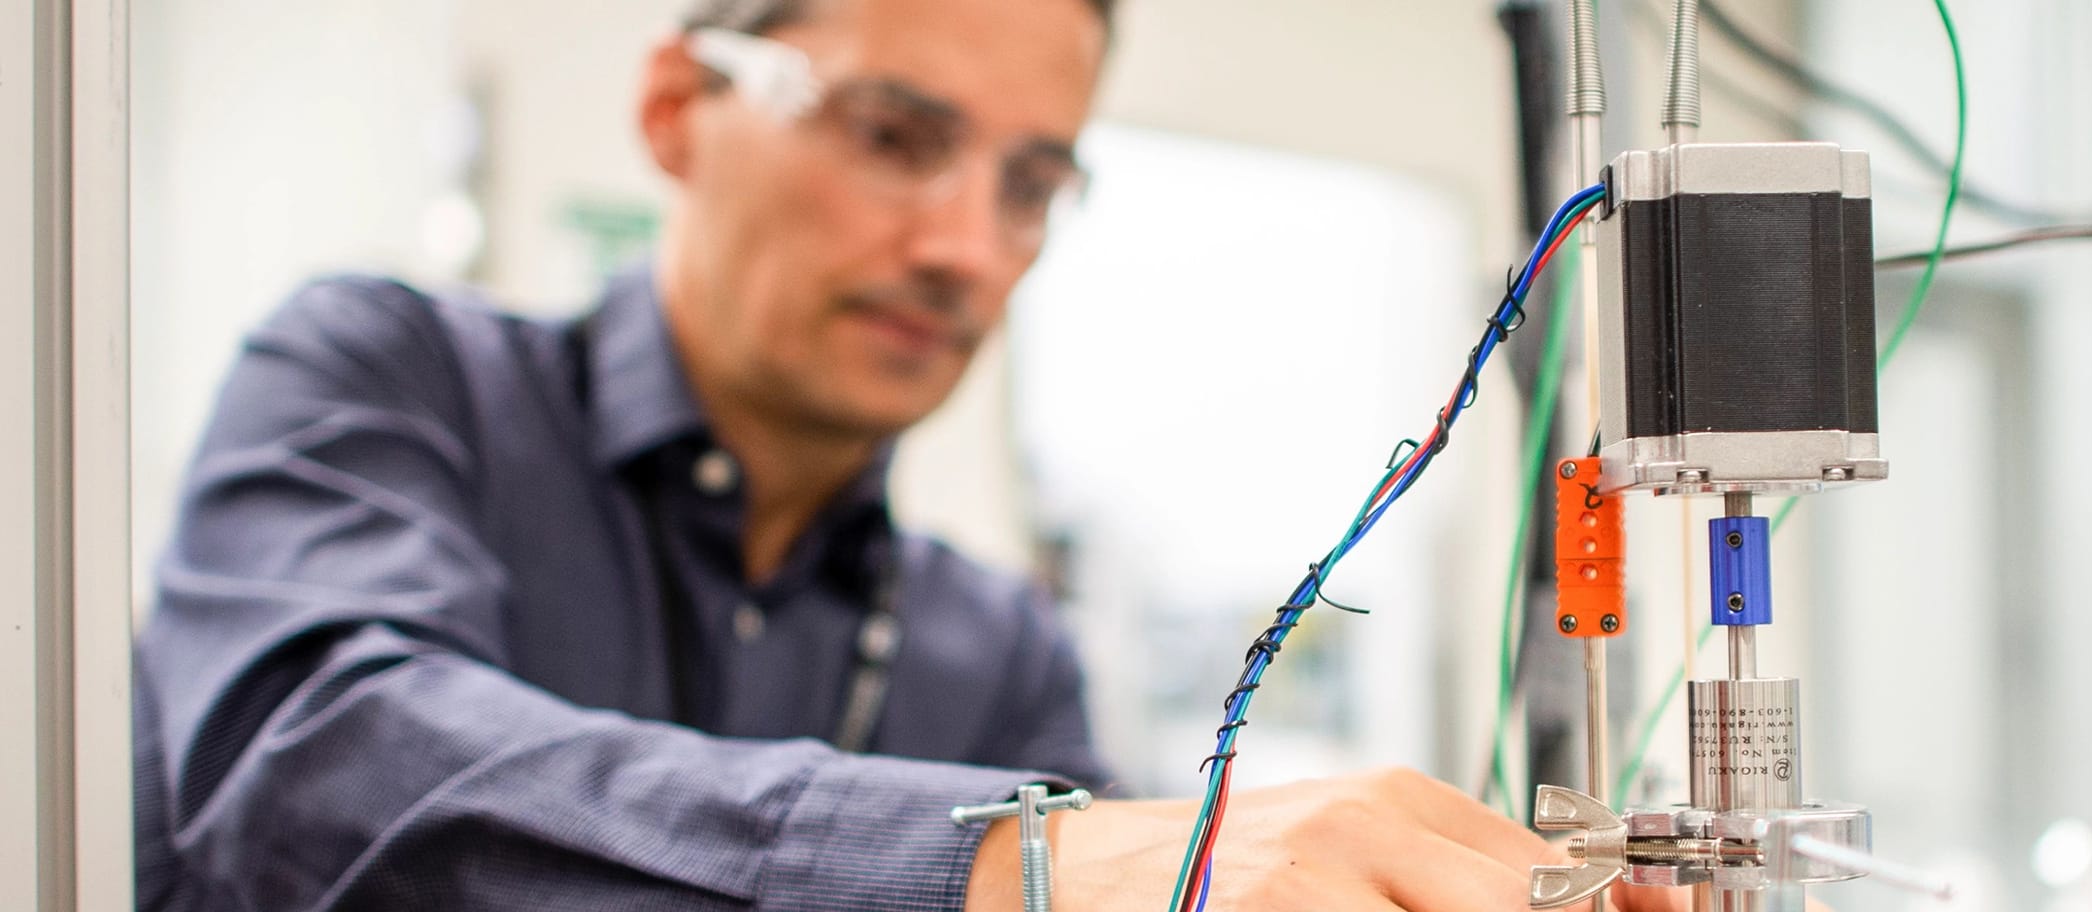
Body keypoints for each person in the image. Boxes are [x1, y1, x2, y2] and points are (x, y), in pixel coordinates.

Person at [132, 0, 1679, 909]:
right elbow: (309, 772)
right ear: (678, 108)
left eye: (1029, 185)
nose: (962, 246)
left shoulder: (987, 644)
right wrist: (1018, 866)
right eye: (892, 134)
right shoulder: (393, 380)